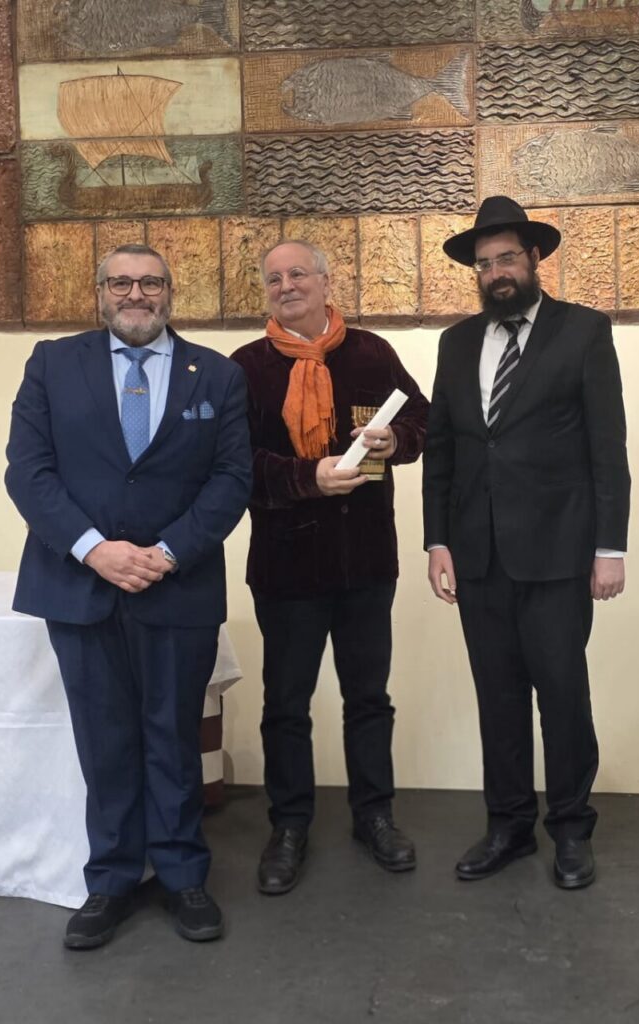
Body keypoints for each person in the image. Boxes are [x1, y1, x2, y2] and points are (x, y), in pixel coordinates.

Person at [5, 243, 251, 947]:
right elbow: (28, 472)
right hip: (80, 587)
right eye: (121, 282)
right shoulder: (54, 364)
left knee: (172, 735)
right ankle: (110, 879)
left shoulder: (221, 375)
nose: (135, 294)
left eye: (149, 282)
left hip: (178, 588)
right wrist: (96, 550)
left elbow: (232, 481)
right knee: (104, 740)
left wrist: (167, 553)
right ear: (100, 292)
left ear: (171, 292)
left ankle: (181, 876)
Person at [422, 196, 630, 890]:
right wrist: (436, 542)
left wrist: (610, 548)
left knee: (563, 695)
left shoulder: (582, 333)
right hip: (478, 557)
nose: (496, 272)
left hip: (558, 555)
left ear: (534, 259)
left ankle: (570, 828)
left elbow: (608, 447)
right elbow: (443, 452)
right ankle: (508, 825)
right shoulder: (455, 344)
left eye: (507, 257)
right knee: (498, 698)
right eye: (484, 264)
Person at [230, 240, 429, 894]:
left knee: (368, 699)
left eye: (298, 274)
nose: (286, 285)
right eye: (274, 277)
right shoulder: (247, 368)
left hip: (367, 561)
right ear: (267, 290)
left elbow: (425, 424)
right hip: (286, 570)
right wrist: (308, 478)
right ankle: (289, 826)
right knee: (286, 704)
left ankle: (374, 815)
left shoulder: (371, 353)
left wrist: (396, 439)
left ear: (324, 281)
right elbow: (237, 471)